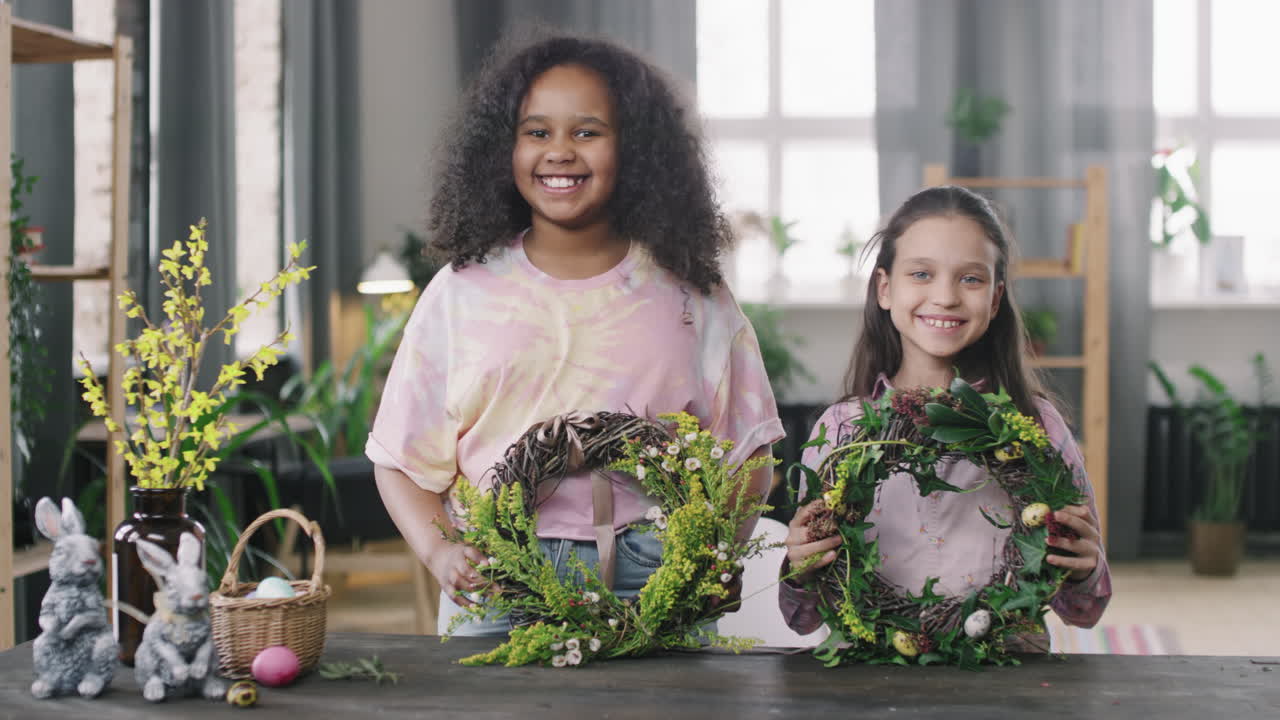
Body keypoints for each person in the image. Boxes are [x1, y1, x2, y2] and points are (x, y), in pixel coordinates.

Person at [367, 31, 783, 636]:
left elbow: (750, 452)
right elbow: (400, 459)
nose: (559, 151)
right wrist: (441, 552)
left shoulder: (693, 293)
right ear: (502, 150)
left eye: (586, 132)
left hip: (659, 571)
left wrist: (712, 553)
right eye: (537, 132)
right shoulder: (462, 292)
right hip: (500, 575)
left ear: (635, 150)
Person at [780, 185, 1111, 641]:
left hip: (1008, 670)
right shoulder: (841, 431)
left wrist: (1081, 569)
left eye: (970, 279)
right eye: (921, 274)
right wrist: (800, 568)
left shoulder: (1036, 431)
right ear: (884, 288)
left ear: (995, 300)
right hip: (873, 675)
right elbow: (802, 617)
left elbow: (1084, 610)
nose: (946, 297)